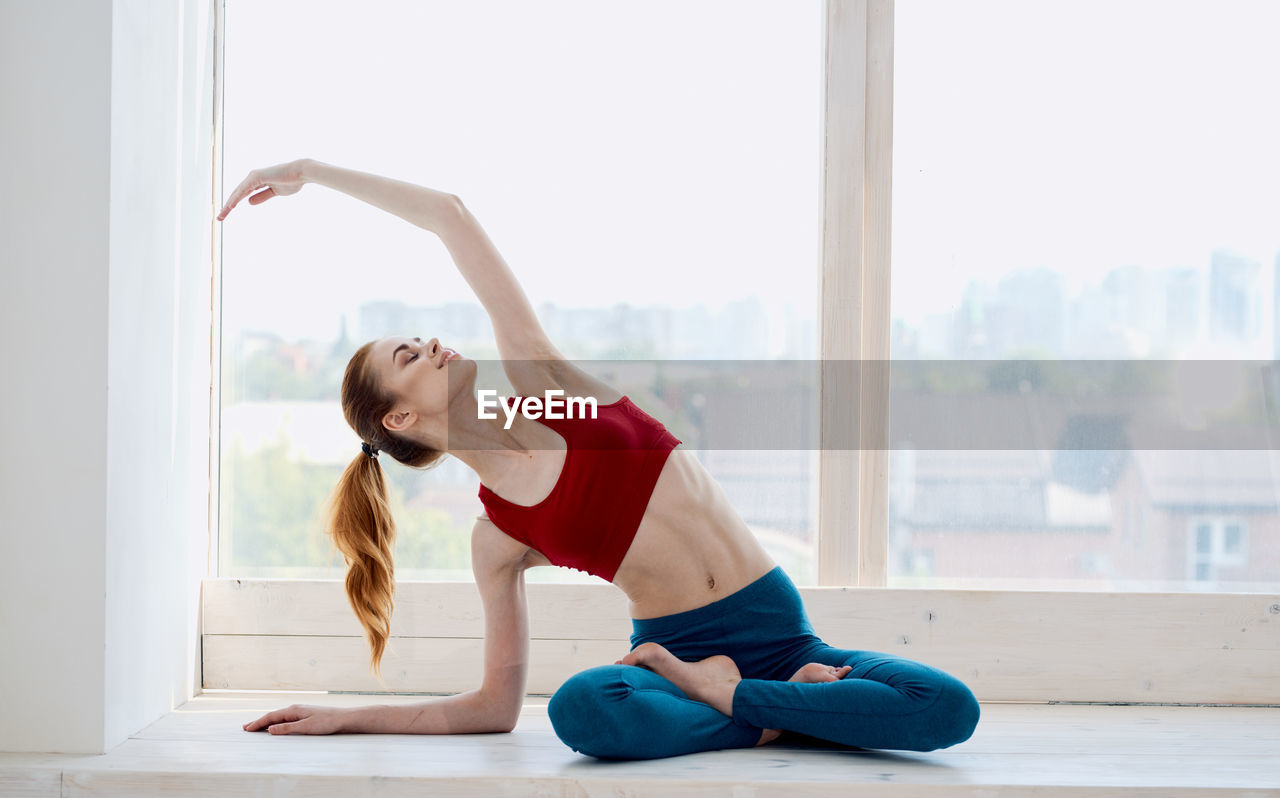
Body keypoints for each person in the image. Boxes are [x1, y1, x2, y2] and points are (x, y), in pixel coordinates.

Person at [217, 159, 980, 759]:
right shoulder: (498, 538)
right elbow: (493, 708)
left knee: (948, 707)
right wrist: (347, 720)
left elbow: (450, 216)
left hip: (785, 638)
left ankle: (742, 705)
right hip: (671, 659)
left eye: (423, 335)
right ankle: (764, 709)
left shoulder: (548, 387)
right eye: (410, 354)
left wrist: (312, 171)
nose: (435, 343)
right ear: (401, 416)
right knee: (583, 708)